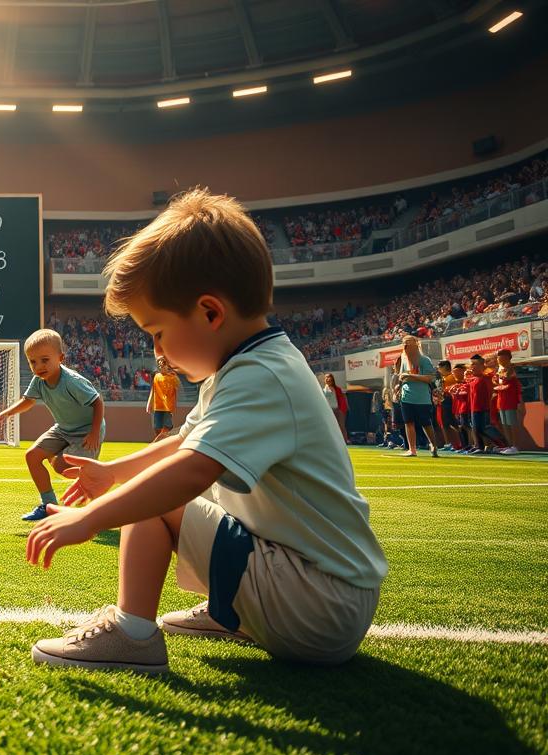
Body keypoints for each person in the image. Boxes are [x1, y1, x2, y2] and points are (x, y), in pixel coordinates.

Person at [23, 189, 386, 673]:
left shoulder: (262, 375)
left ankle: (132, 635)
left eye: (157, 332)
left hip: (318, 602)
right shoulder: (251, 363)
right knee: (156, 483)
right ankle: (234, 609)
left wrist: (91, 519)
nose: (159, 350)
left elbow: (191, 469)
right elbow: (183, 441)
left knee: (157, 495)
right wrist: (111, 472)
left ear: (211, 313)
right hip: (318, 593)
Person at [0, 329, 106, 522]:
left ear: (60, 358)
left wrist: (94, 433)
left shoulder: (72, 381)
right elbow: (28, 401)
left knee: (61, 467)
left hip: (86, 430)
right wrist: (7, 412)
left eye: (45, 360)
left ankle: (98, 476)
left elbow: (98, 402)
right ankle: (48, 505)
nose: (39, 366)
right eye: (33, 362)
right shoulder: (39, 381)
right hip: (63, 428)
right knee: (32, 456)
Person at [396, 335, 441, 458]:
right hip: (406, 396)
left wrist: (411, 377)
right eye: (405, 343)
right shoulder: (403, 359)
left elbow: (429, 378)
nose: (406, 346)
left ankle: (433, 445)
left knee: (426, 423)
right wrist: (399, 384)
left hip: (422, 397)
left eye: (409, 343)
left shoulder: (424, 360)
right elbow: (401, 376)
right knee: (408, 422)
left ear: (416, 344)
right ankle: (412, 449)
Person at [466, 354, 507, 453]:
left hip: (483, 408)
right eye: (471, 364)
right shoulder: (475, 379)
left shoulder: (487, 378)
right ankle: (479, 447)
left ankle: (504, 445)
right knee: (477, 429)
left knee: (485, 428)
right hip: (474, 408)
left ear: (482, 366)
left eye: (474, 364)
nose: (472, 367)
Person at [492, 349, 523, 455]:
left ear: (507, 358)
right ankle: (509, 445)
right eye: (498, 357)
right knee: (504, 424)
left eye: (501, 357)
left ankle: (515, 446)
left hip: (510, 400)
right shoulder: (499, 370)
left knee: (512, 423)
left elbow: (507, 378)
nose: (499, 359)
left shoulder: (511, 368)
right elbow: (497, 382)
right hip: (501, 399)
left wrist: (499, 377)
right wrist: (495, 380)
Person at [146, 356, 179, 442]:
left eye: (163, 365)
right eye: (160, 366)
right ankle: (160, 440)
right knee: (157, 427)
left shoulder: (172, 377)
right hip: (157, 406)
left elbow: (176, 391)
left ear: (167, 366)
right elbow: (153, 390)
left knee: (167, 426)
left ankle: (162, 441)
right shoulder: (156, 376)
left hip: (167, 406)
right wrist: (149, 402)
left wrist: (174, 405)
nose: (161, 367)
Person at [435, 360, 464, 451]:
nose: (438, 369)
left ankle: (459, 443)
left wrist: (442, 394)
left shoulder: (451, 378)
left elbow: (451, 391)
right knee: (445, 424)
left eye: (439, 367)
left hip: (449, 403)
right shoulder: (444, 378)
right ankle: (450, 443)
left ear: (444, 367)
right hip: (443, 402)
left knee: (451, 424)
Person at [321, 373, 348, 444]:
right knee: (330, 427)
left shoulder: (337, 389)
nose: (328, 379)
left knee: (341, 426)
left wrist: (342, 410)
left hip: (338, 410)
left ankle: (345, 441)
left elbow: (342, 400)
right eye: (326, 378)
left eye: (329, 378)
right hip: (329, 411)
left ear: (332, 379)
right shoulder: (323, 390)